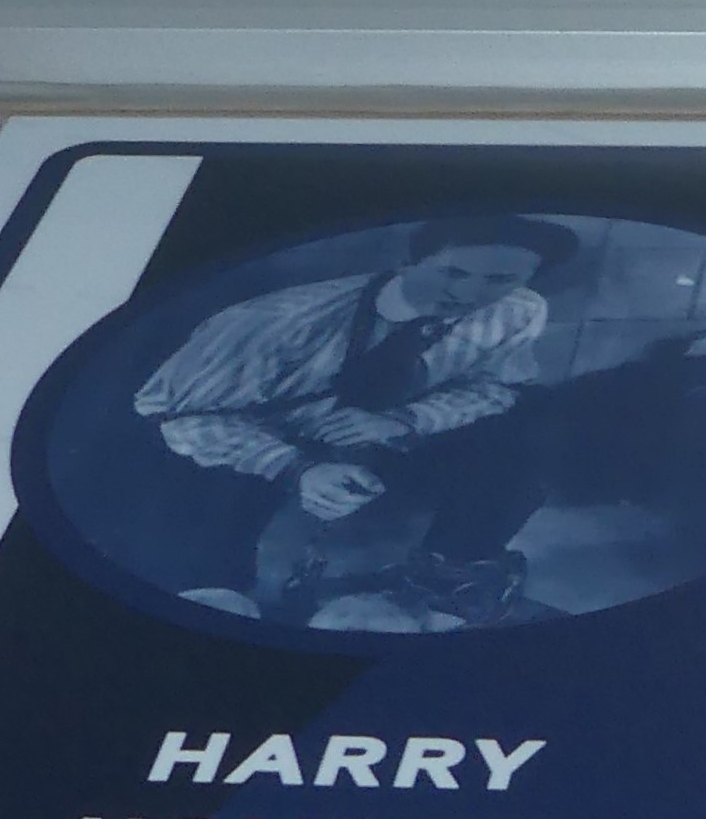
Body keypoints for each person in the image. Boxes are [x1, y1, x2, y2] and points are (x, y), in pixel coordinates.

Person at [134, 216, 576, 624]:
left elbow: (496, 388)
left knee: (529, 425)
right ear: (410, 262)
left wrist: (406, 420)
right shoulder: (274, 321)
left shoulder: (519, 310)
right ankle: (216, 593)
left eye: (500, 280)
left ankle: (447, 579)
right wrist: (296, 467)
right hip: (272, 439)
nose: (469, 295)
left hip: (390, 434)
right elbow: (177, 416)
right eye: (453, 273)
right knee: (203, 486)